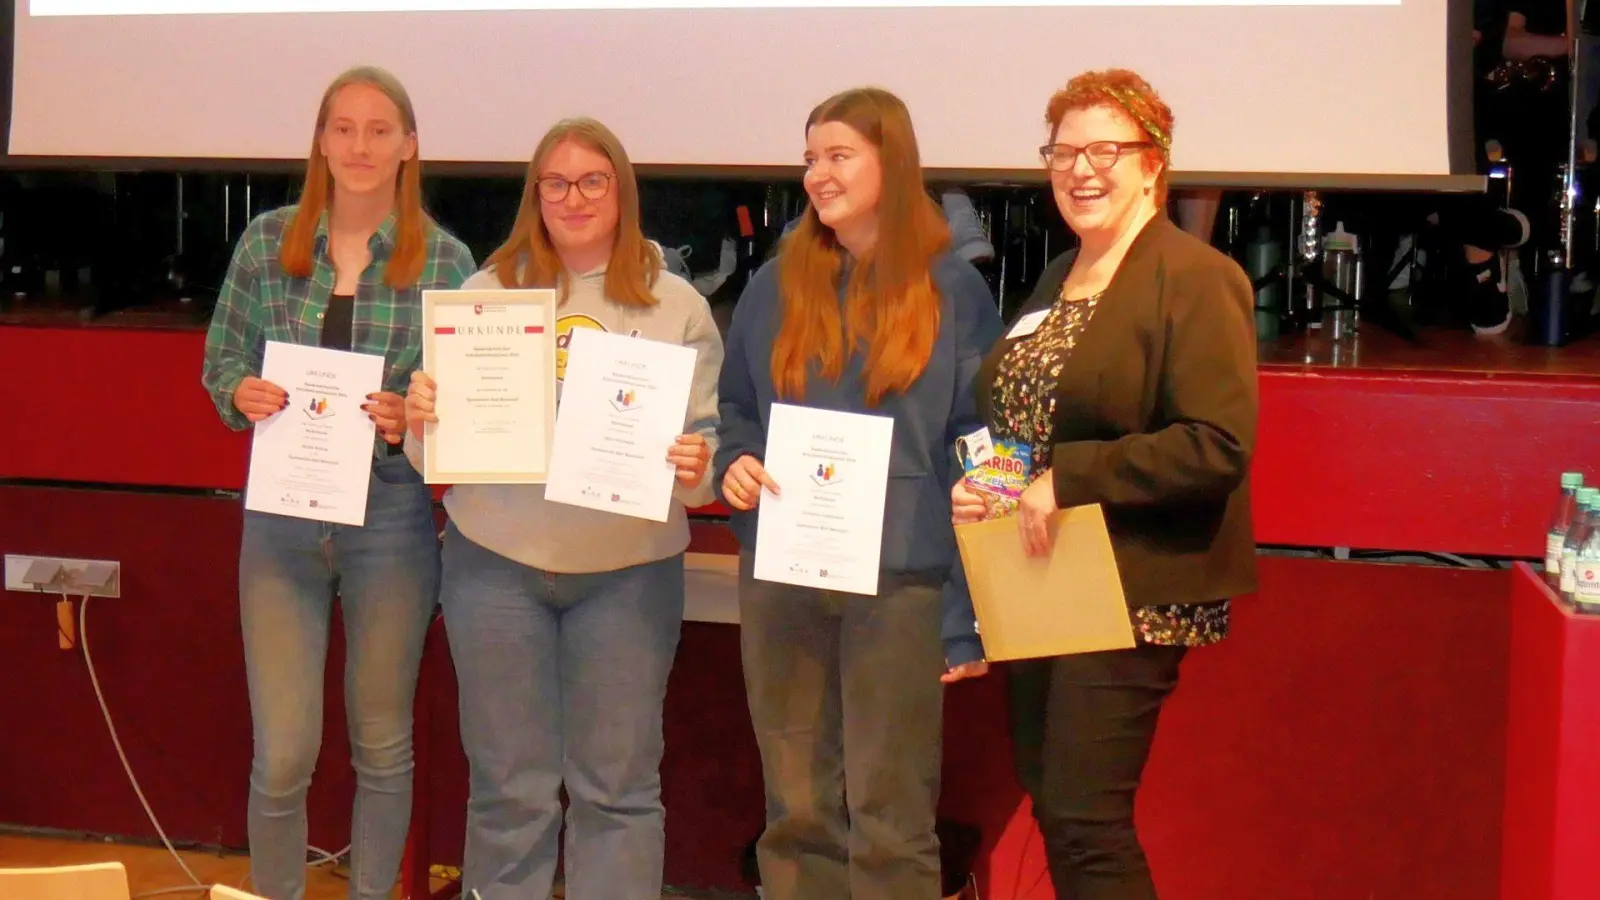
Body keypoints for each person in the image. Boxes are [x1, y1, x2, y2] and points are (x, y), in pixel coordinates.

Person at [945, 69, 1258, 899]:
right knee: (1056, 808)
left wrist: (1065, 481)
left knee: (1086, 817)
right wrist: (993, 486)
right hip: (1041, 576)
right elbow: (1023, 418)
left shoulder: (1194, 277)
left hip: (1130, 585)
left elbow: (1216, 445)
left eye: (1105, 150)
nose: (1081, 170)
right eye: (1063, 153)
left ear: (1153, 164)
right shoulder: (1058, 278)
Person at [402, 117, 723, 900]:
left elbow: (706, 464)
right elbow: (429, 460)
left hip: (629, 579)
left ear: (622, 192)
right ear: (534, 195)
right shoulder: (483, 297)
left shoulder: (676, 306)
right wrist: (421, 422)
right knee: (510, 789)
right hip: (494, 570)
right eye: (556, 182)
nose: (573, 197)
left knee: (616, 791)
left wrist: (697, 463)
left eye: (592, 181)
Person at [713, 86, 1004, 900]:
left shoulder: (953, 289)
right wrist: (735, 462)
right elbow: (735, 410)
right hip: (784, 579)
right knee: (797, 811)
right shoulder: (774, 285)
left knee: (891, 815)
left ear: (893, 163)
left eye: (839, 155)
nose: (818, 175)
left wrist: (963, 612)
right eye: (810, 158)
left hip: (900, 588)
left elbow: (976, 444)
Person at [199, 65, 476, 900]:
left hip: (389, 519)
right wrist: (238, 392)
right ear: (321, 140)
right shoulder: (265, 241)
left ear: (409, 146)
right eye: (344, 128)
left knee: (382, 744)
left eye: (379, 129)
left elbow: (455, 410)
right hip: (281, 521)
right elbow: (221, 360)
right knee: (281, 751)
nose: (360, 146)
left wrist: (413, 415)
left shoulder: (450, 263)